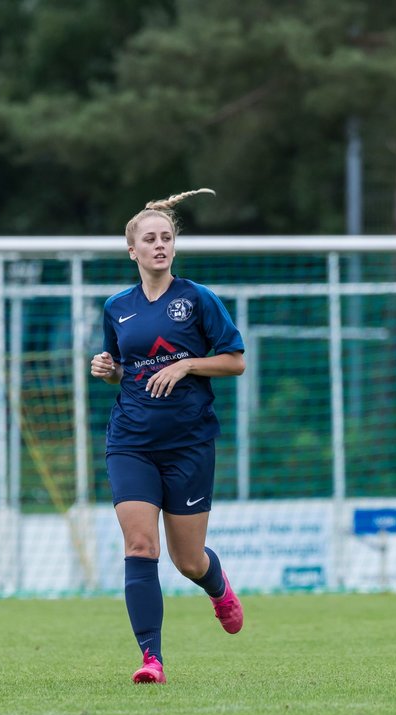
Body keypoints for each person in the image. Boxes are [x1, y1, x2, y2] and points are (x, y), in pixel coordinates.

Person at [90, 188, 246, 684]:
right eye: (149, 239)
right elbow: (125, 369)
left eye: (166, 237)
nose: (159, 245)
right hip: (131, 440)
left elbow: (235, 361)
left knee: (186, 559)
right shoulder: (117, 307)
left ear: (174, 247)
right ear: (131, 250)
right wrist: (108, 369)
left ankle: (218, 587)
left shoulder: (198, 299)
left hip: (189, 442)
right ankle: (151, 659)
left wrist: (186, 365)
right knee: (140, 547)